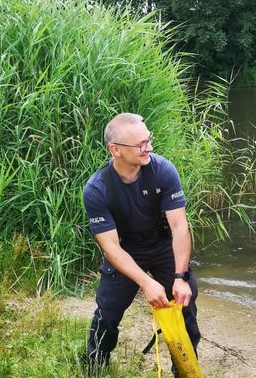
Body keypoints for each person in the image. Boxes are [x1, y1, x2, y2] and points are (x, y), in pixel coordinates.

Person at [83, 113, 200, 377]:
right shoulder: (97, 189)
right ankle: (94, 366)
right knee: (108, 312)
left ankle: (185, 371)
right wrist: (146, 283)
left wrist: (180, 277)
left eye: (149, 140)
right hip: (125, 250)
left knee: (186, 306)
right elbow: (111, 248)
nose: (148, 147)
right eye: (140, 144)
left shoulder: (162, 170)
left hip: (162, 246)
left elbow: (180, 227)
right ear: (116, 150)